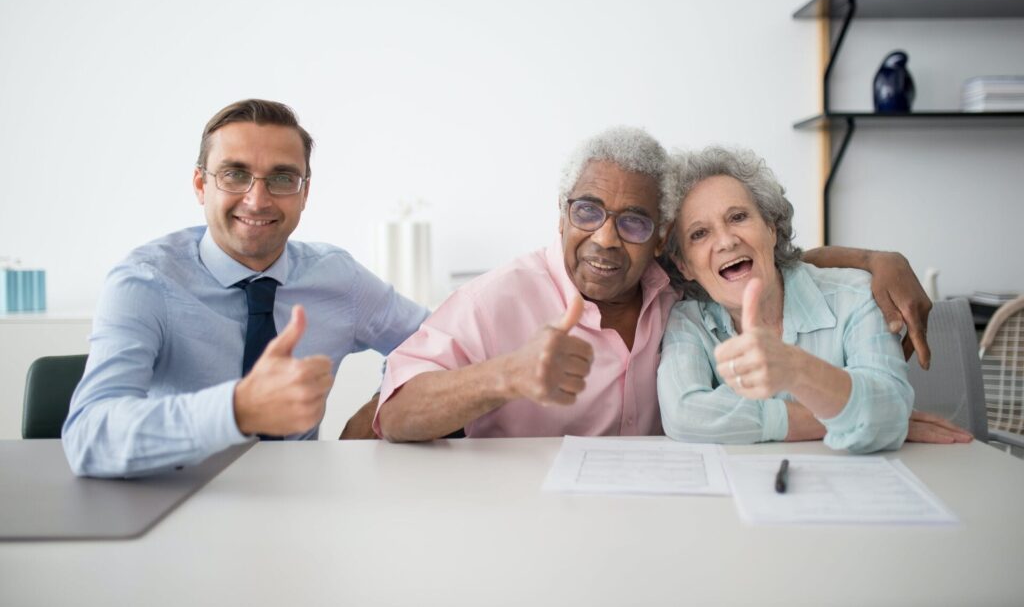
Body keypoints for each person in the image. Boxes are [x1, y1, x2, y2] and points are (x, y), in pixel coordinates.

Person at [374, 126, 945, 442]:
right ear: (561, 212)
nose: (604, 239)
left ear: (659, 240)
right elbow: (395, 414)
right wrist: (508, 374)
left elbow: (770, 260)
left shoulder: (670, 285)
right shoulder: (493, 300)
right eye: (587, 210)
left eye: (632, 222)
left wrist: (876, 259)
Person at [62, 99, 429, 477]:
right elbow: (89, 437)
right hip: (173, 505)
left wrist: (379, 413)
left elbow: (442, 343)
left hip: (303, 505)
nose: (257, 200)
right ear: (201, 185)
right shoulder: (143, 282)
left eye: (282, 178)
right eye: (235, 175)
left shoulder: (338, 278)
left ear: (304, 193)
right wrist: (237, 409)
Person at [657, 147, 973, 452]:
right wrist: (845, 419)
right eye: (699, 234)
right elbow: (684, 415)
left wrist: (796, 369)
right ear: (684, 264)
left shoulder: (856, 296)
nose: (726, 241)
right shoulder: (688, 321)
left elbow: (888, 408)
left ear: (771, 229)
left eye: (738, 217)